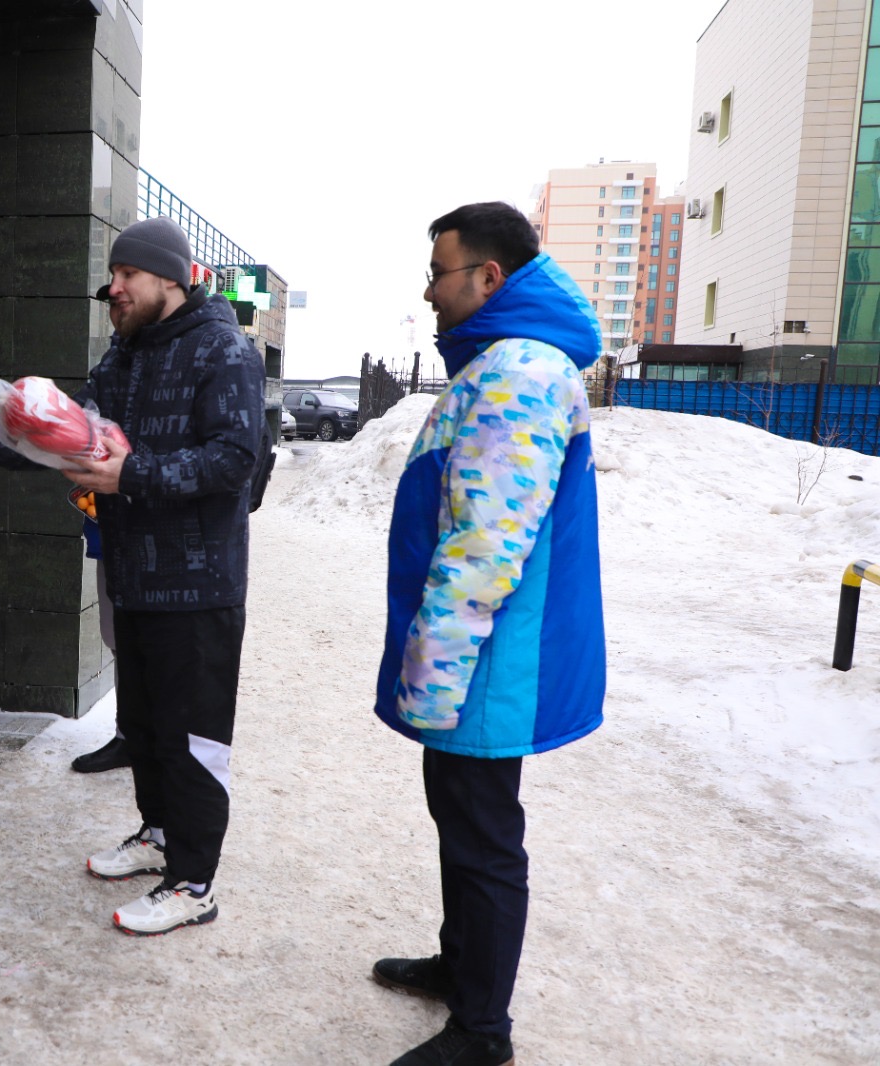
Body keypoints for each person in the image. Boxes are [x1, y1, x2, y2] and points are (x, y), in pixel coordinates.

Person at [0, 216, 265, 935]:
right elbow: (66, 438)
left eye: (127, 275)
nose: (113, 288)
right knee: (142, 725)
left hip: (198, 586)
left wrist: (131, 473)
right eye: (114, 275)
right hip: (133, 575)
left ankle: (195, 881)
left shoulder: (223, 349)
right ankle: (159, 834)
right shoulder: (125, 355)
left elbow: (237, 461)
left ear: (169, 277)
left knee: (191, 737)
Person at [371, 202, 605, 1065]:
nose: (428, 290)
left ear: (488, 277)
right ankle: (460, 966)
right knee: (460, 818)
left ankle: (482, 1032)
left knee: (483, 835)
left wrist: (433, 674)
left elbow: (485, 542)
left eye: (439, 271)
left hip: (487, 657)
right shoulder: (506, 364)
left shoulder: (518, 374)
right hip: (478, 653)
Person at [70, 504, 130, 774]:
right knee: (117, 638)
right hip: (109, 529)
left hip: (167, 539)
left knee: (162, 645)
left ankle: (165, 740)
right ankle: (128, 738)